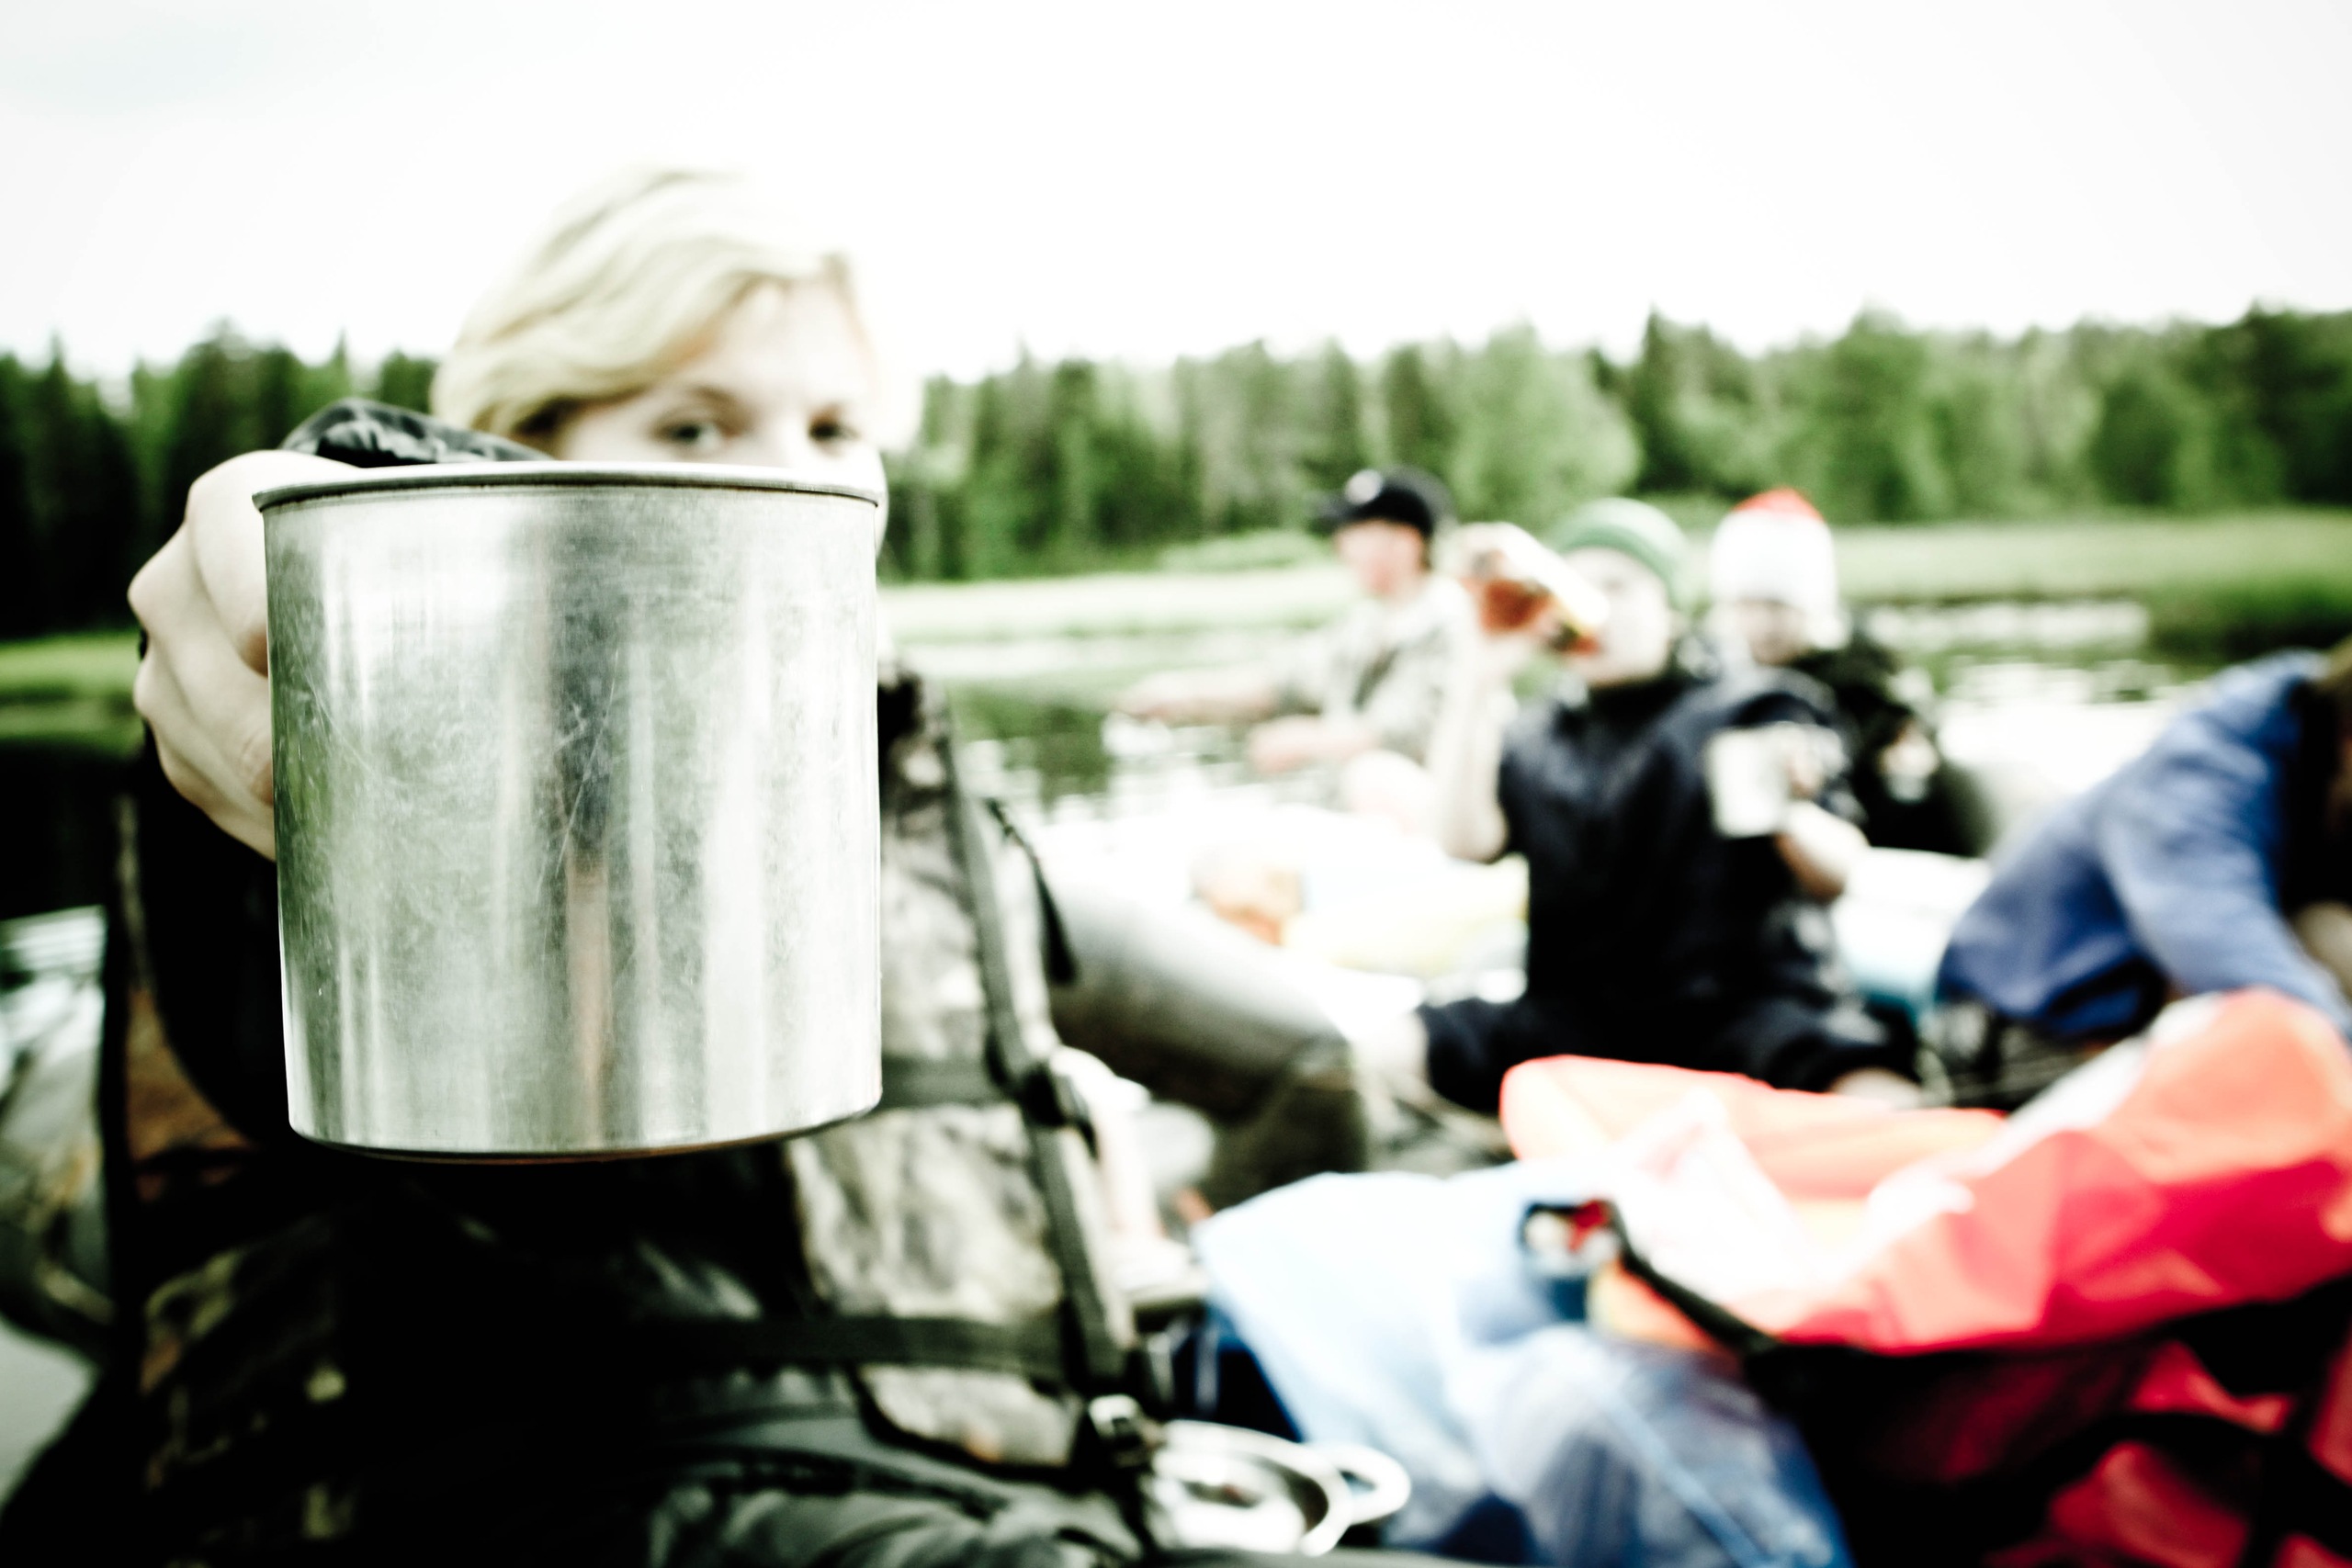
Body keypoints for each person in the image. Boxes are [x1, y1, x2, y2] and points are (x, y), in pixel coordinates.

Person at [2, 170, 1432, 1567]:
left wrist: (1137, 1253)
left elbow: (1312, 1065)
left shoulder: (945, 828)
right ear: (514, 445)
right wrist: (346, 548)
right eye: (693, 425)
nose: (790, 477)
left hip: (1019, 1489)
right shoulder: (428, 740)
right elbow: (266, 887)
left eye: (836, 427)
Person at [1358, 499, 1911, 1116]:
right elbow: (1462, 840)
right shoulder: (1539, 733)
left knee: (1874, 1088)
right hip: (1580, 1022)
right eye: (1575, 587)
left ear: (1669, 607)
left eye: (1618, 586)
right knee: (1381, 1049)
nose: (1596, 606)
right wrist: (1479, 674)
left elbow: (1838, 871)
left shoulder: (1754, 707)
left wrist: (1788, 810)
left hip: (1739, 1013)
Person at [1938, 640, 2352, 1045]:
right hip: (2039, 1012)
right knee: (2324, 941)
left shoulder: (2321, 738)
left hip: (2154, 995)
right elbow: (2220, 949)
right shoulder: (2199, 777)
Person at [1118, 468, 1471, 790]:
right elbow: (1285, 680)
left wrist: (1305, 739)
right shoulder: (1366, 623)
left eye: (1357, 532)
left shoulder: (1452, 622)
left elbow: (1406, 733)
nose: (1341, 546)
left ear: (1405, 542)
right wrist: (1183, 694)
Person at [1707, 488, 1990, 857]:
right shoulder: (1712, 676)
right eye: (1748, 605)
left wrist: (1905, 749)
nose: (1763, 624)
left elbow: (1907, 723)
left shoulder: (1862, 671)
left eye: (1777, 606)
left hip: (1857, 829)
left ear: (1811, 605)